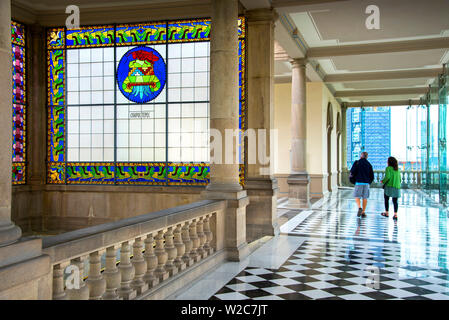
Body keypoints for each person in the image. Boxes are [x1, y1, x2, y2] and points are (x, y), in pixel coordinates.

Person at [350, 151, 374, 217]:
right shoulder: (369, 164)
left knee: (357, 196)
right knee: (365, 197)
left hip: (358, 182)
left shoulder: (357, 163)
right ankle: (363, 212)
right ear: (367, 157)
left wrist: (353, 180)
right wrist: (369, 182)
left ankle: (359, 207)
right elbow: (372, 175)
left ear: (361, 156)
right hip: (366, 183)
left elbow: (352, 171)